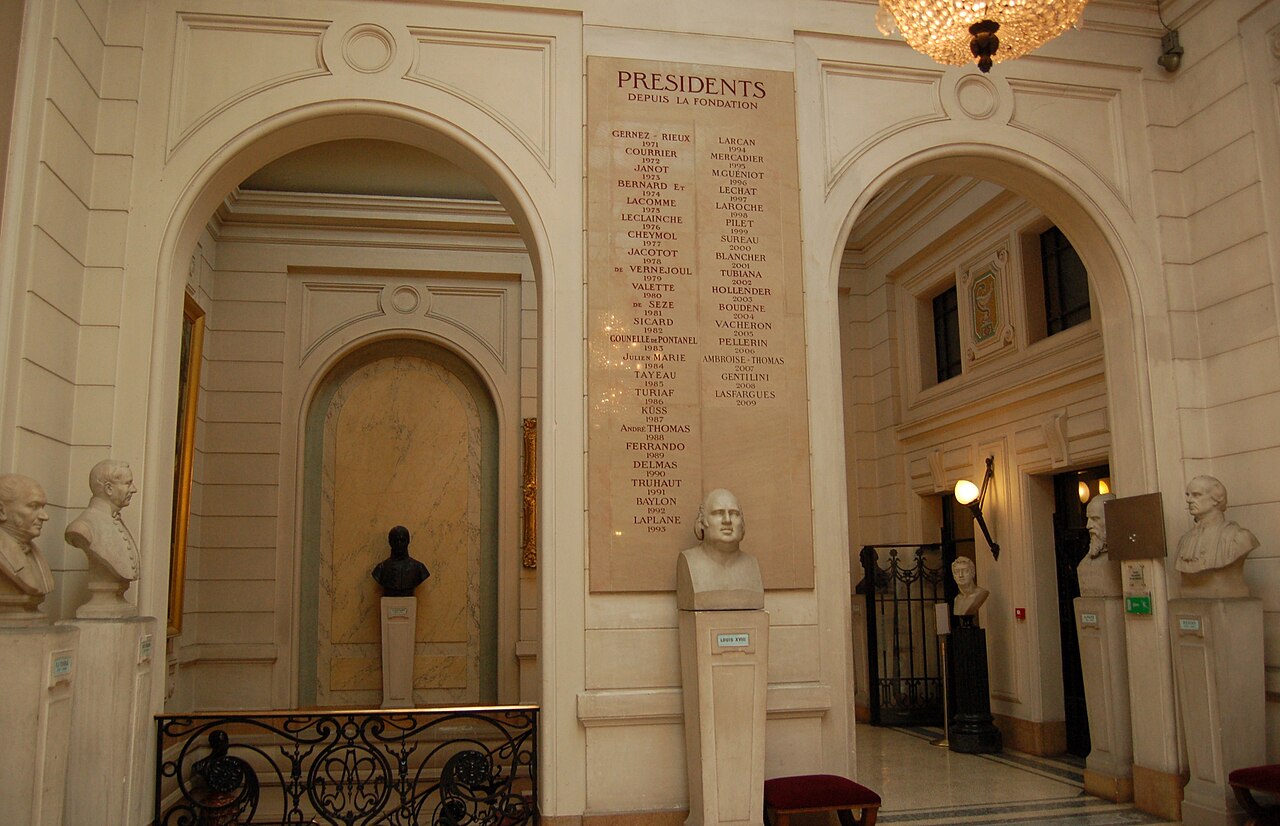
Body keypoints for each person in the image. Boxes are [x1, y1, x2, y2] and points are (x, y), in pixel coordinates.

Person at [675, 488, 763, 611]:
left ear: (742, 523)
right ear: (702, 522)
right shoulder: (689, 562)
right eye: (718, 513)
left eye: (734, 514)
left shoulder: (751, 565)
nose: (727, 520)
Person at [1174, 475, 1257, 598]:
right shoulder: (1184, 540)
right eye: (1188, 495)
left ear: (1216, 499)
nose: (1189, 500)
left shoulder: (1239, 537)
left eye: (1196, 495)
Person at [65, 460, 140, 583]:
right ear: (109, 489)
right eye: (128, 484)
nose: (134, 489)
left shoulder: (115, 519)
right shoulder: (82, 528)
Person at [0, 473, 54, 617]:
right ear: (1, 510)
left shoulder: (34, 552)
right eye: (33, 506)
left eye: (42, 507)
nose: (44, 516)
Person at [1077, 493, 1122, 597]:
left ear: (1111, 520)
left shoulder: (1122, 559)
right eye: (1088, 519)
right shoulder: (1085, 563)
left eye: (1095, 519)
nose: (1088, 526)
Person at [371, 526, 431, 597]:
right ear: (390, 542)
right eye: (395, 540)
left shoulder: (419, 568)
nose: (399, 544)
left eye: (402, 540)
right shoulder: (381, 568)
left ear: (408, 541)